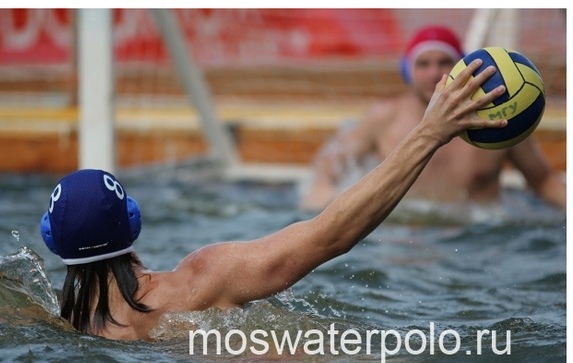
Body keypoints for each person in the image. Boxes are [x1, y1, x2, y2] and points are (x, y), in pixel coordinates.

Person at [40, 59, 506, 341]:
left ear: (54, 241)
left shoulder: (52, 320)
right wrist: (428, 135)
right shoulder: (200, 283)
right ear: (132, 221)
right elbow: (331, 236)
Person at [299, 26, 566, 212]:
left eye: (444, 62)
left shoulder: (498, 120)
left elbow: (543, 181)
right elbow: (331, 162)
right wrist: (320, 189)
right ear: (407, 70)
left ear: (462, 67)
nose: (433, 73)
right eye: (423, 64)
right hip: (406, 241)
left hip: (478, 244)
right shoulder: (384, 118)